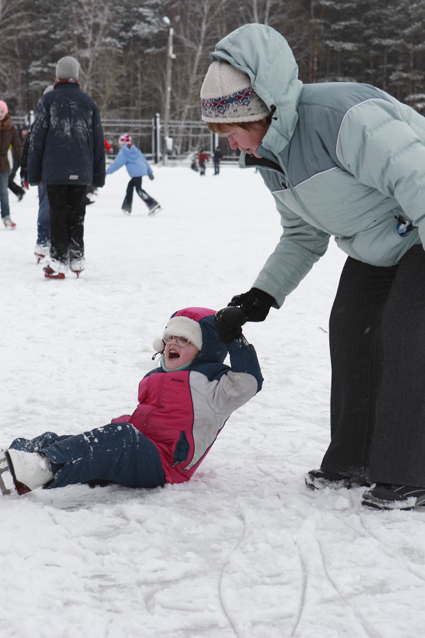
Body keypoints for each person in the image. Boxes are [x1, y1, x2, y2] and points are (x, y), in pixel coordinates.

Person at [200, 23, 425, 511]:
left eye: (234, 130)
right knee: (350, 327)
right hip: (379, 243)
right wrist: (260, 296)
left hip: (420, 224)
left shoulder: (340, 118)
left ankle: (412, 471)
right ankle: (355, 459)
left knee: (407, 329)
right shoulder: (271, 157)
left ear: (263, 110)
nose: (232, 143)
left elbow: (418, 177)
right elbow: (303, 234)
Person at [0, 307, 262, 497]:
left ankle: (42, 466)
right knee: (68, 441)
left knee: (120, 436)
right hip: (138, 451)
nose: (173, 343)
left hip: (166, 465)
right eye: (170, 337)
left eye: (185, 340)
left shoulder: (215, 386)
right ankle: (17, 458)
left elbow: (249, 381)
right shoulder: (154, 377)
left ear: (206, 350)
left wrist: (234, 339)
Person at [28, 56, 105, 279]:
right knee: (77, 214)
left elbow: (37, 139)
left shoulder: (48, 100)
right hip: (81, 170)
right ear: (77, 75)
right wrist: (97, 176)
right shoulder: (88, 102)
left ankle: (59, 261)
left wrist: (34, 174)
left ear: (57, 75)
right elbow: (97, 142)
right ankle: (77, 259)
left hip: (54, 170)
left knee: (58, 214)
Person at [20, 86, 54, 263]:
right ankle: (43, 241)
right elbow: (28, 148)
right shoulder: (40, 122)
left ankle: (54, 242)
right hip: (44, 173)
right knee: (46, 206)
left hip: (56, 171)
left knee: (55, 208)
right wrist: (25, 173)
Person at [106, 134, 161, 216]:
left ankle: (153, 204)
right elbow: (144, 160)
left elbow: (116, 164)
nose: (119, 145)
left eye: (120, 143)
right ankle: (126, 207)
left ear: (123, 143)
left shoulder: (124, 152)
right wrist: (150, 172)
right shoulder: (135, 149)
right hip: (141, 170)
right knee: (130, 187)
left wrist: (107, 172)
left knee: (138, 189)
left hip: (136, 172)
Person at [0, 100, 21, 229]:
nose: (0, 114)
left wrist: (23, 162)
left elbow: (18, 146)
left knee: (3, 192)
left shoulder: (11, 128)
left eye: (2, 111)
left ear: (6, 112)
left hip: (3, 165)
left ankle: (6, 217)